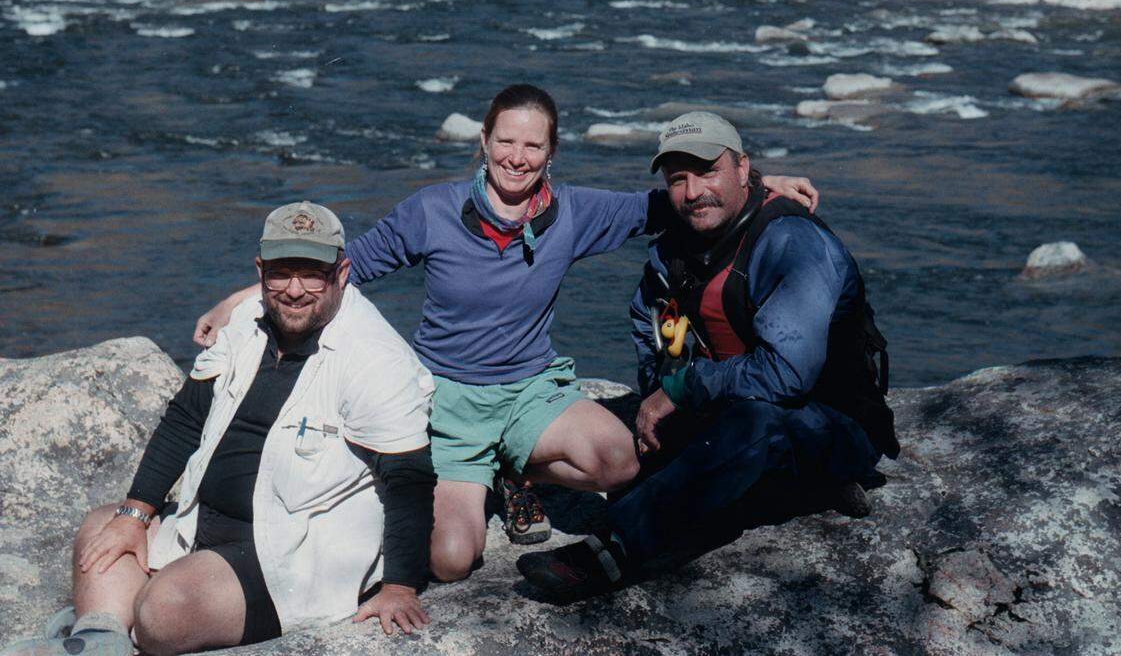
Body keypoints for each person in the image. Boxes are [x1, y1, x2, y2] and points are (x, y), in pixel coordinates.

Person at [193, 86, 819, 583]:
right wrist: (239, 300)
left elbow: (669, 205)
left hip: (528, 393)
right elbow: (344, 266)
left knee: (621, 461)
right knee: (450, 561)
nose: (517, 157)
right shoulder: (431, 210)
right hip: (447, 403)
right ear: (484, 143)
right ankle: (490, 474)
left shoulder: (571, 211)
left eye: (533, 146)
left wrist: (763, 191)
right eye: (505, 141)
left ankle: (519, 470)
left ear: (551, 153)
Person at [1, 202, 436, 656]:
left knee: (164, 609)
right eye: (280, 273)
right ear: (260, 270)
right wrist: (136, 512)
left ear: (341, 273)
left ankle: (108, 623)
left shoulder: (376, 359)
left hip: (293, 552)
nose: (293, 290)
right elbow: (186, 417)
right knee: (101, 530)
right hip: (203, 524)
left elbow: (408, 480)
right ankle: (98, 641)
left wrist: (400, 587)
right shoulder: (246, 319)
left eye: (311, 273)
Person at [518, 111, 899, 601]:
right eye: (678, 178)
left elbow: (787, 376)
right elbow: (649, 326)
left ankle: (612, 551)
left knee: (756, 428)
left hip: (827, 420)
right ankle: (786, 493)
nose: (693, 191)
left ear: (743, 170)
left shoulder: (792, 243)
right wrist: (662, 394)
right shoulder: (671, 253)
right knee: (639, 460)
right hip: (728, 406)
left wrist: (681, 389)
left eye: (707, 171)